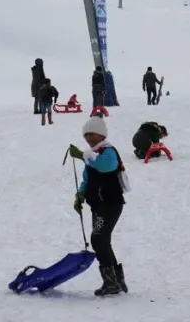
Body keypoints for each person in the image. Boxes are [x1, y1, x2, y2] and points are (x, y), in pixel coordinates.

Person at [69, 116, 129, 296]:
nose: (88, 137)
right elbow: (87, 179)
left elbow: (106, 166)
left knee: (98, 239)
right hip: (97, 204)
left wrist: (81, 155)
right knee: (102, 240)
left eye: (92, 134)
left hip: (110, 203)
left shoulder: (108, 151)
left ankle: (111, 282)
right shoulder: (92, 153)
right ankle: (116, 281)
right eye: (86, 134)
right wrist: (80, 194)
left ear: (101, 134)